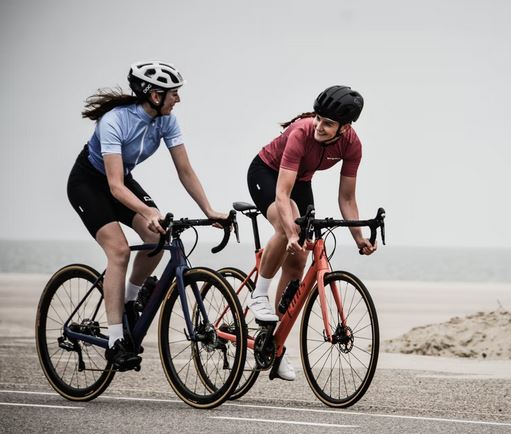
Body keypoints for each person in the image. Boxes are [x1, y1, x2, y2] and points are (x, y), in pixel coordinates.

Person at [67, 61, 227, 369]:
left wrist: (208, 210)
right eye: (173, 94)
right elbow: (114, 186)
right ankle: (115, 341)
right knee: (119, 250)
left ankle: (129, 300)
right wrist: (146, 209)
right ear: (154, 96)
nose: (177, 99)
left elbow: (185, 170)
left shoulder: (167, 121)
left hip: (120, 181)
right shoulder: (114, 121)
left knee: (157, 235)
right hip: (89, 183)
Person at [246, 85, 376, 381]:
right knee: (286, 224)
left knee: (300, 258)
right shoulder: (301, 132)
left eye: (328, 123)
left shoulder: (352, 145)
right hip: (267, 173)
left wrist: (359, 238)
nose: (319, 126)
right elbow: (282, 194)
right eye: (318, 118)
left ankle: (274, 344)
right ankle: (259, 294)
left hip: (300, 180)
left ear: (345, 128)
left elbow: (347, 199)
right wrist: (290, 230)